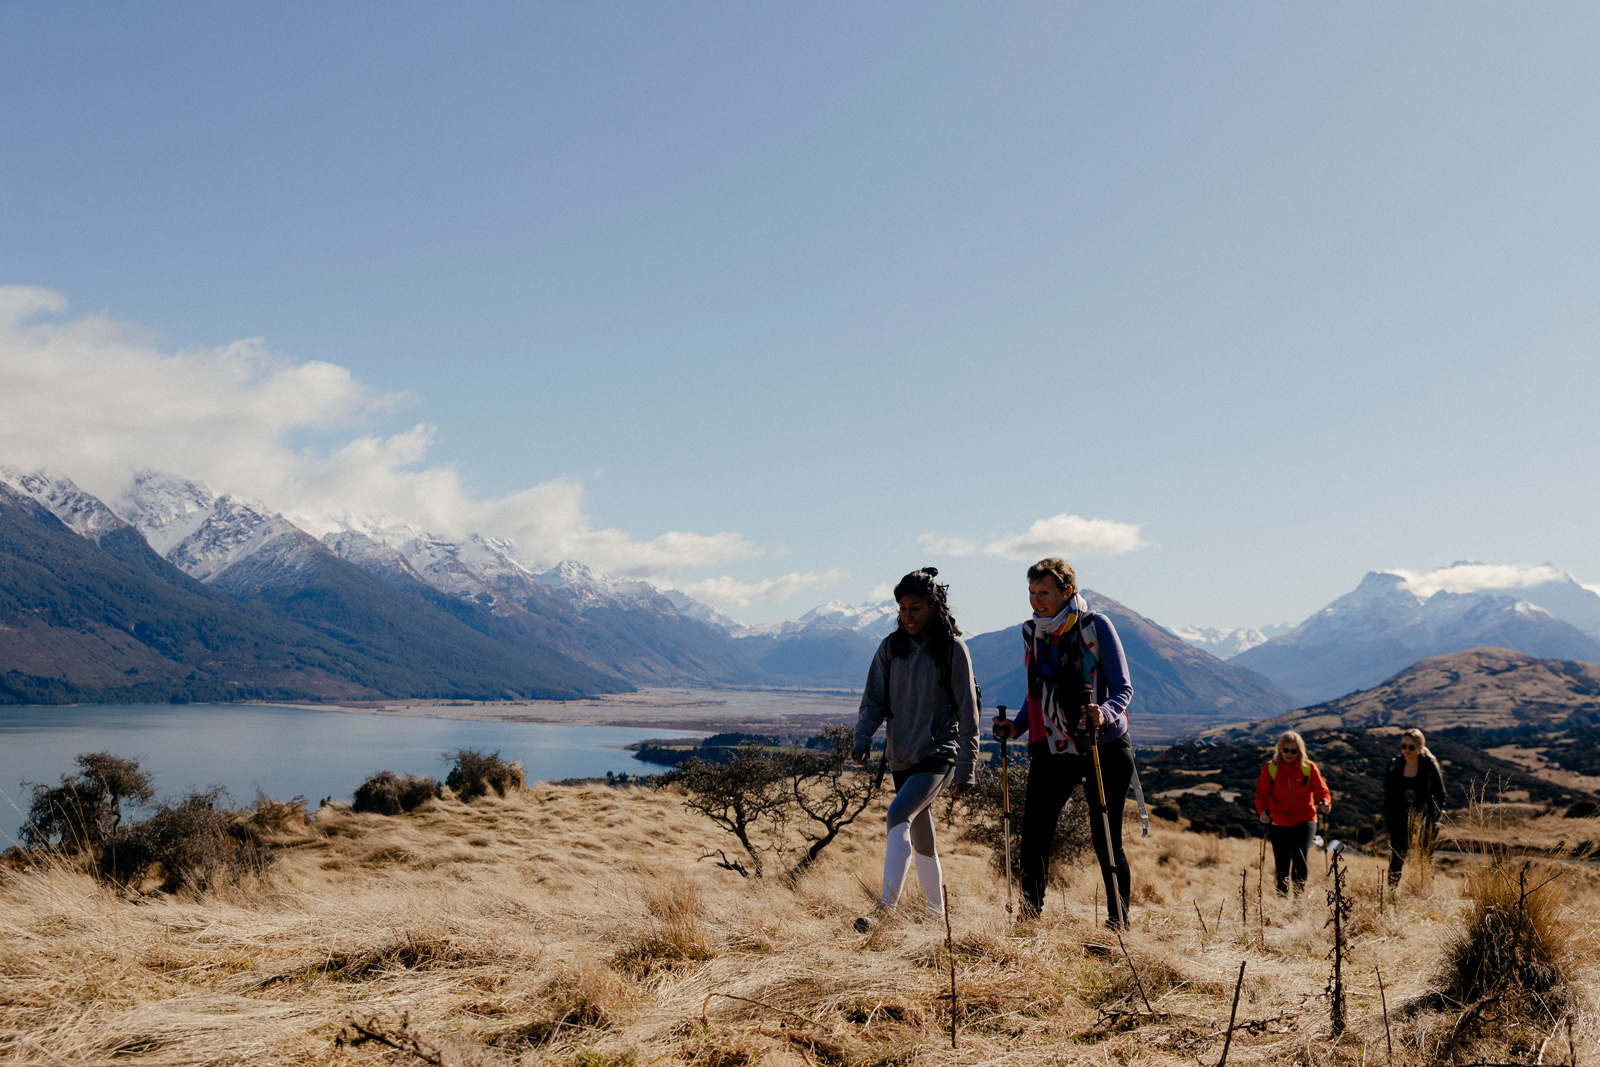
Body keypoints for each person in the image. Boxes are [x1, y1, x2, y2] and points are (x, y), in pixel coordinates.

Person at [990, 557, 1136, 925]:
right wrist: (1016, 728)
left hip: (1102, 746)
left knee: (1106, 840)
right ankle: (1028, 918)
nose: (1036, 600)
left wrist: (1102, 712)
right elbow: (1036, 694)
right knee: (1035, 835)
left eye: (1044, 593)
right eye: (1032, 593)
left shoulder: (1095, 626)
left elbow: (1122, 689)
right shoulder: (1031, 632)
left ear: (1067, 592)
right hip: (1051, 748)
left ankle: (1118, 924)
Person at [851, 567, 978, 928]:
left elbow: (969, 713)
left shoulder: (953, 650)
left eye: (916, 608)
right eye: (902, 608)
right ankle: (938, 921)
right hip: (901, 753)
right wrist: (863, 737)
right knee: (922, 836)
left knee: (897, 815)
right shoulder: (891, 647)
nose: (907, 616)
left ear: (934, 606)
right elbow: (873, 698)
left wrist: (967, 768)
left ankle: (883, 914)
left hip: (939, 752)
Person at [1253, 730, 1332, 897]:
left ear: (1300, 751)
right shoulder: (1271, 768)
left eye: (1293, 750)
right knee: (1282, 864)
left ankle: (1298, 899)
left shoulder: (1308, 768)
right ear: (1280, 749)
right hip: (1278, 821)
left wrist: (1324, 803)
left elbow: (1322, 790)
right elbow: (1261, 794)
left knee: (1299, 858)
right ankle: (1282, 900)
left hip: (1305, 819)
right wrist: (1263, 812)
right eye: (1285, 750)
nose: (1289, 754)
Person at [1383, 728, 1447, 888]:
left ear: (1419, 747)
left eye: (1411, 747)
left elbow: (1441, 794)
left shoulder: (1428, 765)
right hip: (1399, 818)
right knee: (1397, 855)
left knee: (1425, 856)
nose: (1406, 750)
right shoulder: (1395, 764)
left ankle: (1426, 890)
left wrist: (1433, 818)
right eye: (1403, 746)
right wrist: (1388, 816)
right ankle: (1391, 891)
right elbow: (1387, 791)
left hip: (1424, 819)